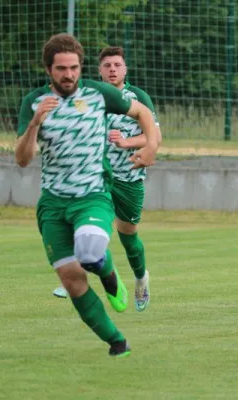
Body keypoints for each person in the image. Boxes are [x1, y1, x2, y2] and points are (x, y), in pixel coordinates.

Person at [15, 33, 160, 357]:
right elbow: (23, 158)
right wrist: (35, 124)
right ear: (49, 69)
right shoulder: (34, 103)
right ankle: (116, 342)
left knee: (91, 252)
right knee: (71, 279)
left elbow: (144, 115)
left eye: (74, 67)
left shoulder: (99, 94)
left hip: (92, 194)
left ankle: (114, 282)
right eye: (61, 68)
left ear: (81, 67)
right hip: (53, 202)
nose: (69, 75)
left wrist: (150, 146)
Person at [53, 46, 160, 312]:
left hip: (129, 178)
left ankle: (141, 277)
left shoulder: (137, 97)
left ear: (125, 69)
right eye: (107, 65)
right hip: (97, 177)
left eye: (117, 65)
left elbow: (154, 137)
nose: (112, 69)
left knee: (128, 238)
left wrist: (127, 142)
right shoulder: (88, 97)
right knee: (83, 226)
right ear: (99, 70)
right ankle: (74, 278)